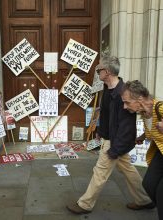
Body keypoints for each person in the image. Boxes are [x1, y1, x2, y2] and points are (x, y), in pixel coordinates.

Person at [66, 55, 154, 215]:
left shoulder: (124, 94)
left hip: (116, 141)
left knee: (100, 171)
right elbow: (105, 115)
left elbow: (126, 128)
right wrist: (101, 133)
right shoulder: (108, 89)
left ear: (106, 72)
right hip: (110, 137)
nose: (97, 72)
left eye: (99, 70)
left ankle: (85, 204)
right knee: (128, 169)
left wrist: (114, 149)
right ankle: (145, 199)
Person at [121, 80, 163, 219]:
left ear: (139, 99)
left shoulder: (160, 108)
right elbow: (153, 130)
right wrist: (143, 136)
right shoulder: (145, 113)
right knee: (148, 184)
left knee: (161, 193)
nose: (124, 106)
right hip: (159, 152)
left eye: (127, 102)